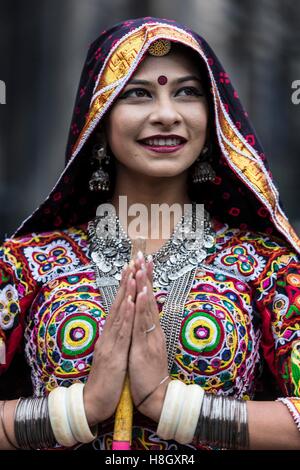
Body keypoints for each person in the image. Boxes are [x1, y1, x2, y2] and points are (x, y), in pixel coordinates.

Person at [0, 16, 300, 451]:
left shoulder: (268, 267)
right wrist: (79, 410)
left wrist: (172, 406)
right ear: (100, 118)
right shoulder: (26, 264)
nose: (166, 114)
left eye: (187, 92)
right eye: (138, 94)